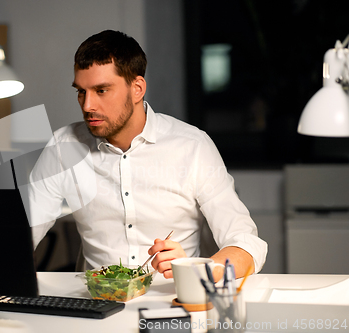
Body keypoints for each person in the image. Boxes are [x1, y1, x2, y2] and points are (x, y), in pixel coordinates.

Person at [30, 30, 267, 280]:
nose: (87, 105)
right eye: (81, 91)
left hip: (174, 300)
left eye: (101, 91)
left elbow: (247, 244)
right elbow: (19, 234)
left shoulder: (192, 146)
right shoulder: (63, 146)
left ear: (137, 88)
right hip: (95, 303)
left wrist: (197, 271)